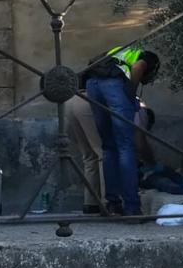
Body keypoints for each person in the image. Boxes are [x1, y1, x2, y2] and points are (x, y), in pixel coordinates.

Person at [83, 46, 161, 216]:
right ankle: (132, 207)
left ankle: (113, 204)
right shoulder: (146, 57)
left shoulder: (120, 50)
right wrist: (130, 92)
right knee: (125, 147)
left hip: (92, 84)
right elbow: (138, 67)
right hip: (113, 85)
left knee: (108, 147)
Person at [67, 96, 155, 214]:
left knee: (89, 156)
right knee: (104, 153)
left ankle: (91, 203)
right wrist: (151, 162)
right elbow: (140, 142)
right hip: (92, 102)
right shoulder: (140, 111)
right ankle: (109, 203)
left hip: (73, 100)